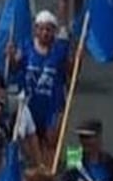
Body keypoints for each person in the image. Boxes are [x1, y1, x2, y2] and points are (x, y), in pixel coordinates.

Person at [11, 10, 72, 139]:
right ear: (36, 30)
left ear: (54, 32)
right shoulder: (26, 46)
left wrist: (78, 60)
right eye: (41, 29)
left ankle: (67, 155)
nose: (45, 33)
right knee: (31, 142)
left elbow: (71, 73)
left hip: (53, 107)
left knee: (53, 140)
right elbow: (14, 68)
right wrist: (10, 56)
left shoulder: (61, 49)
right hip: (30, 106)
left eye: (48, 30)